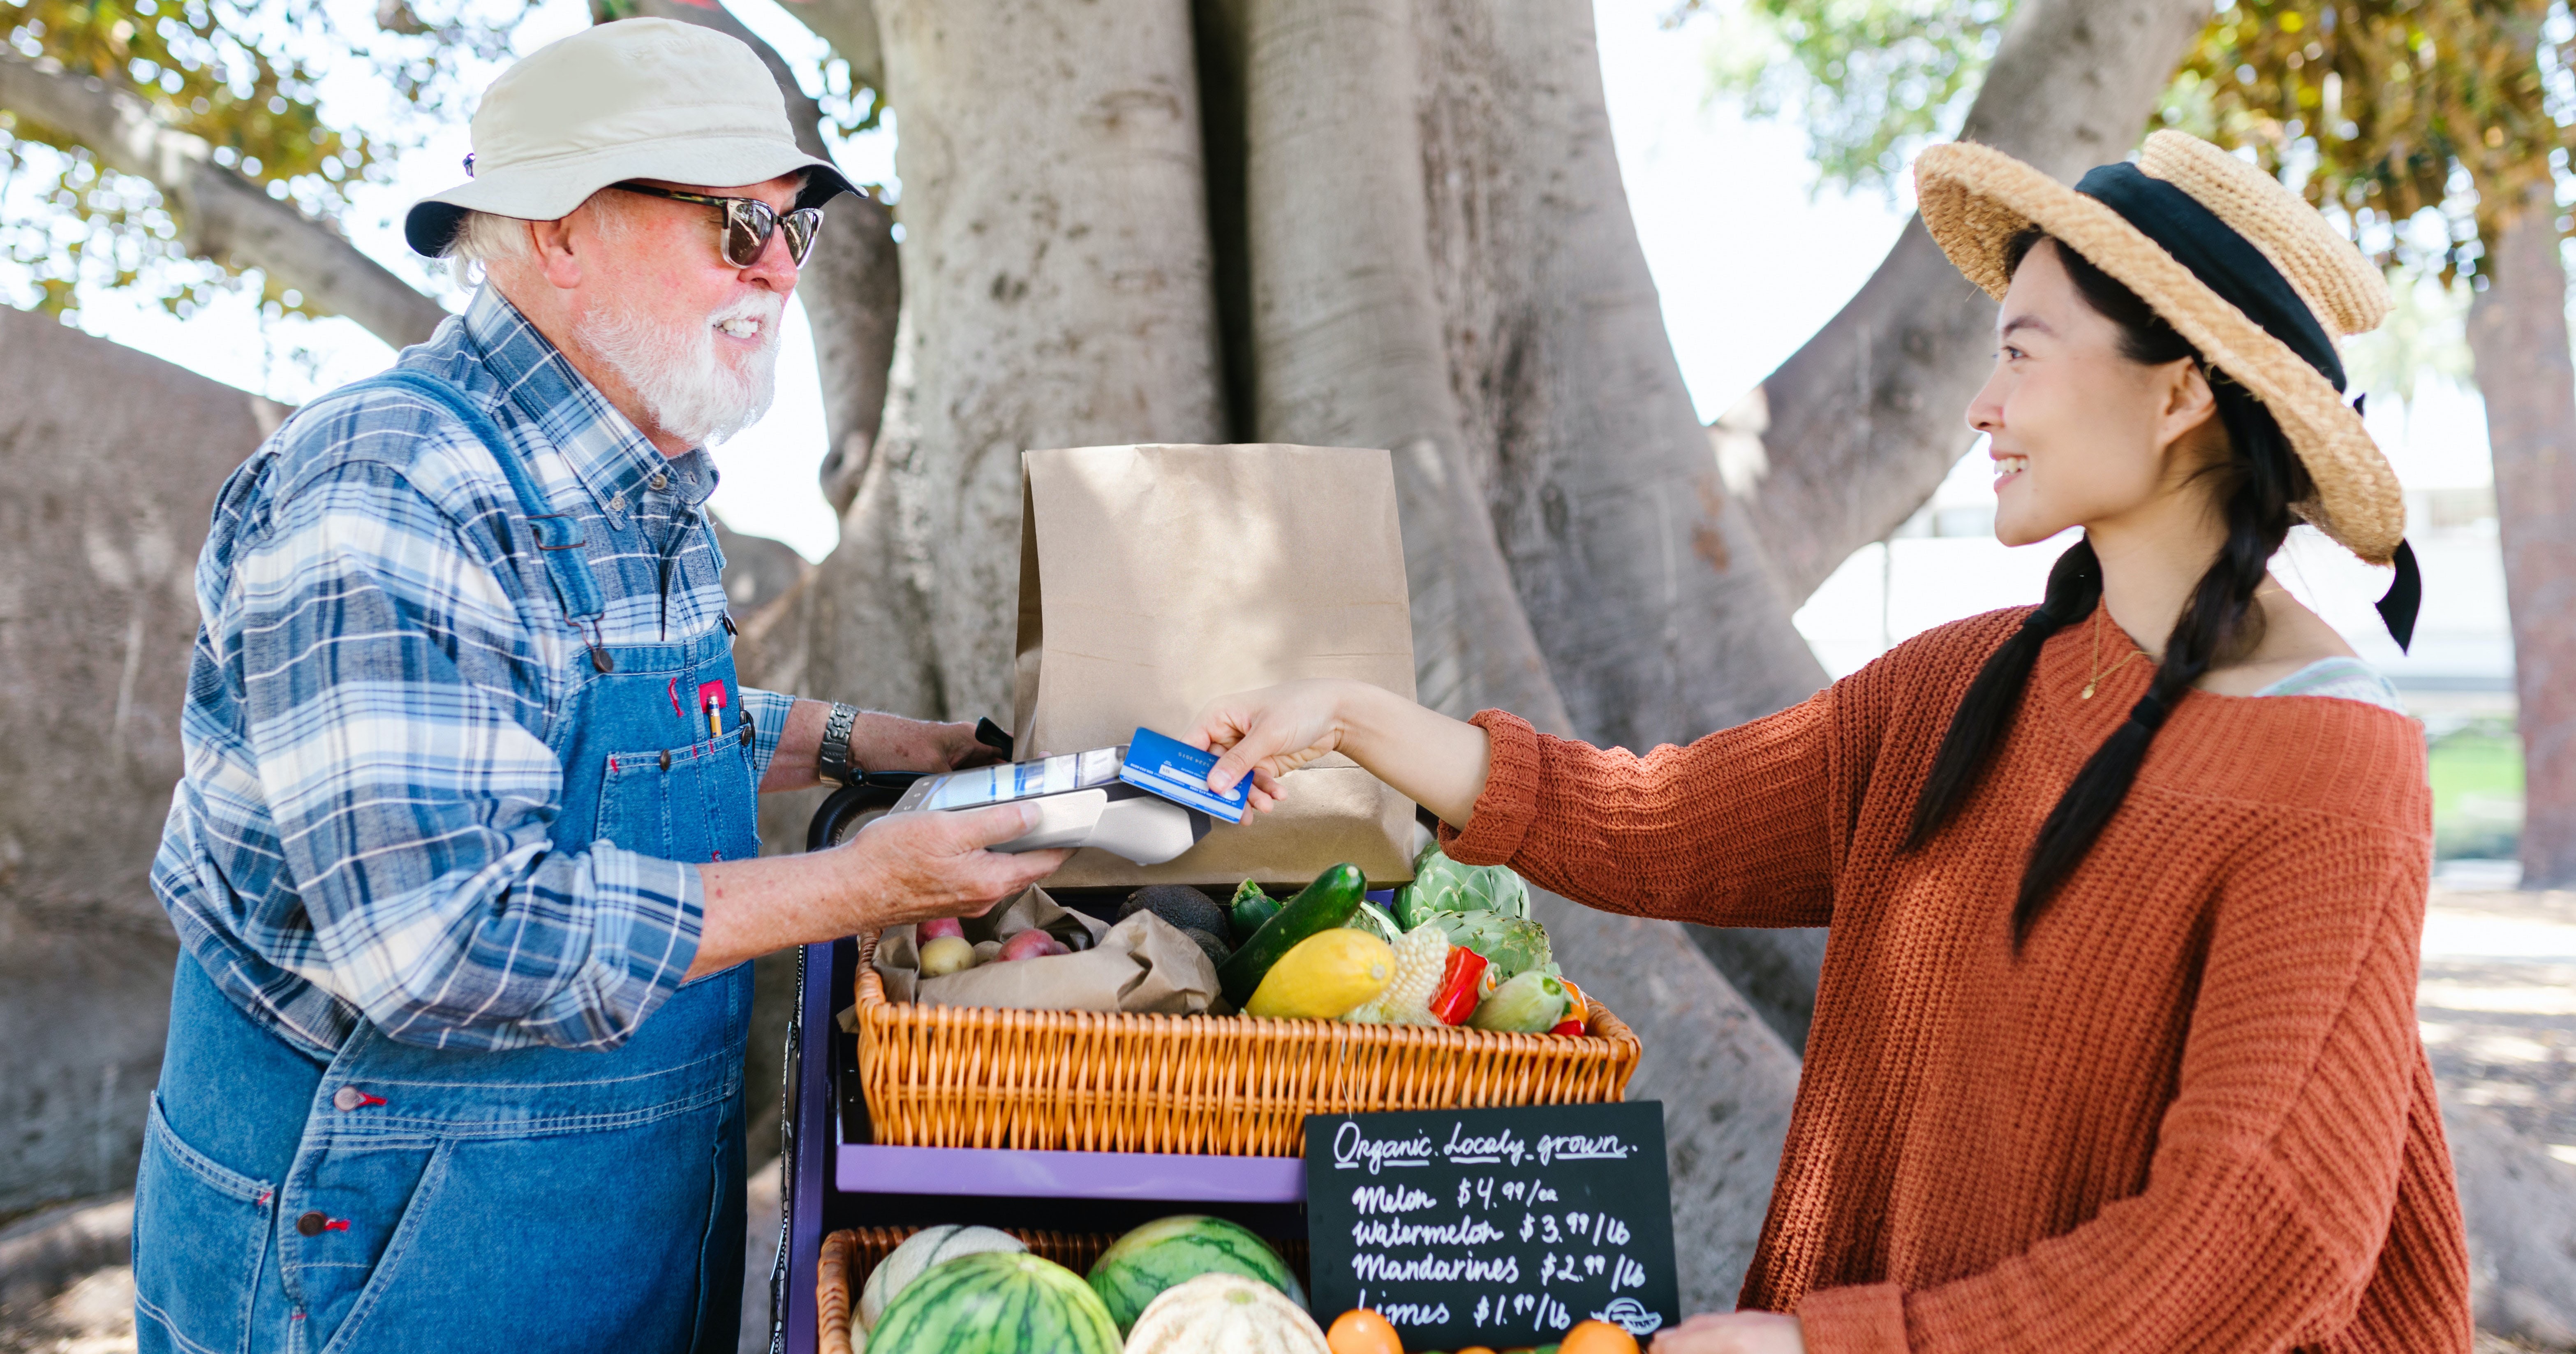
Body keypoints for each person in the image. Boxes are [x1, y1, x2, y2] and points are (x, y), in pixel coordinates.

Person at [1188, 131, 2471, 1352]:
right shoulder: (1968, 682)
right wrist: (1351, 719)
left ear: (2182, 389)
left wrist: (1836, 1342)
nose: (1980, 405)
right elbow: (1664, 825)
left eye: (2021, 355)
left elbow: (2258, 1240)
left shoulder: (2326, 767)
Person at [134, 20, 1064, 1354]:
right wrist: (872, 884)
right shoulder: (385, 486)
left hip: (612, 1223)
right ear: (558, 232)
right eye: (735, 225)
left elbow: (624, 732)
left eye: (793, 234)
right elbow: (439, 940)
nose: (775, 274)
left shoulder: (643, 472)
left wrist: (883, 745)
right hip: (378, 1256)